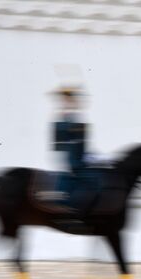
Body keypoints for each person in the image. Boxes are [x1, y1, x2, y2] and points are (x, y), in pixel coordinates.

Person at [51, 85, 94, 220]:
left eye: (72, 99)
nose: (72, 102)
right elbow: (60, 147)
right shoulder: (62, 119)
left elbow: (83, 145)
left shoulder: (78, 118)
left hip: (80, 160)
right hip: (70, 164)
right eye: (68, 99)